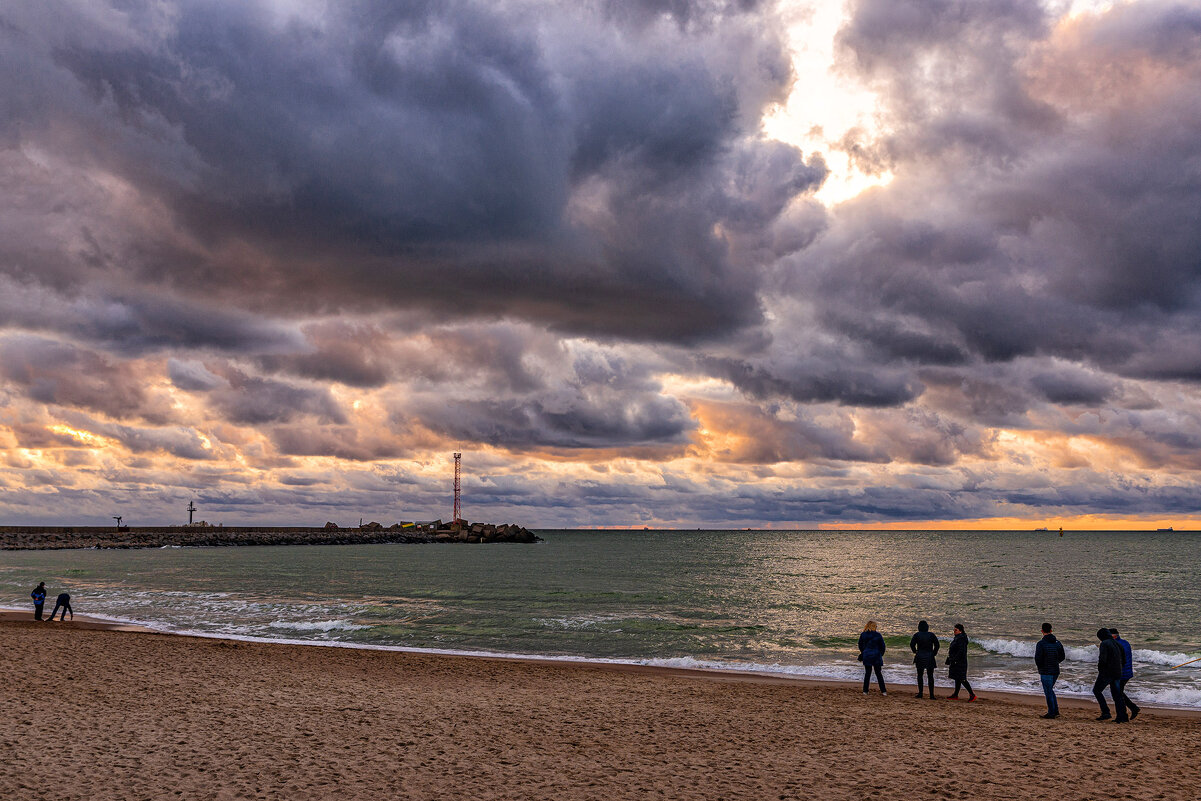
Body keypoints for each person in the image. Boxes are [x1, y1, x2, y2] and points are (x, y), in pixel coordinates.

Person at [1094, 628, 1129, 723]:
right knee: (1117, 695)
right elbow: (1124, 660)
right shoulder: (1118, 643)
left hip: (1107, 673)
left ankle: (1106, 712)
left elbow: (1102, 659)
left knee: (1097, 690)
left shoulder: (1104, 644)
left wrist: (1101, 670)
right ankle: (1122, 716)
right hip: (1118, 672)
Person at [1034, 622, 1065, 719]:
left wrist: (1041, 667)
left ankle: (1052, 712)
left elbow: (1038, 658)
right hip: (1055, 669)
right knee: (1050, 690)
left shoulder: (1041, 644)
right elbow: (1062, 656)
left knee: (1048, 692)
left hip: (1046, 670)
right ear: (1051, 630)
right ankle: (1055, 711)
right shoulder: (1058, 643)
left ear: (1042, 631)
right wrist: (1056, 662)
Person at [1108, 628, 1140, 721]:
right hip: (1127, 672)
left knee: (1117, 694)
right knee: (1119, 692)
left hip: (1120, 673)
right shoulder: (1125, 642)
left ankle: (1123, 715)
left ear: (1114, 636)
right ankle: (1132, 709)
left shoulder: (1116, 644)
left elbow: (1116, 660)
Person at [910, 620, 940, 698]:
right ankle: (931, 695)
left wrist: (915, 651)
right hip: (930, 656)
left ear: (919, 627)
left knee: (920, 675)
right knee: (930, 676)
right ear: (927, 627)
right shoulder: (931, 635)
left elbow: (912, 644)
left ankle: (920, 693)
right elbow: (937, 645)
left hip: (919, 656)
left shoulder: (917, 635)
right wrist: (934, 653)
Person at [946, 623, 975, 701]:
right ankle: (955, 695)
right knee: (957, 678)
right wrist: (950, 658)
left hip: (960, 662)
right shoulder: (958, 638)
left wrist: (955, 660)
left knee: (962, 678)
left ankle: (972, 694)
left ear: (960, 631)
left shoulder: (961, 638)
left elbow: (961, 651)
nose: (954, 631)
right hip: (956, 660)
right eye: (954, 630)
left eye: (956, 630)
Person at [858, 621, 887, 695]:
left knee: (867, 673)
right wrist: (881, 654)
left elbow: (860, 645)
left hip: (867, 655)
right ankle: (883, 691)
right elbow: (883, 646)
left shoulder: (863, 635)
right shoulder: (878, 635)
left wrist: (864, 652)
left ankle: (865, 691)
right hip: (877, 655)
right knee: (878, 674)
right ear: (874, 627)